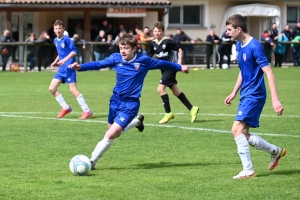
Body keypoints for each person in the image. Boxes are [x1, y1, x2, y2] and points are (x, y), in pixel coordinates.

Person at [68, 33, 189, 170]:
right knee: (115, 133)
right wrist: (81, 67)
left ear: (134, 48)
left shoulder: (143, 61)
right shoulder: (115, 58)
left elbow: (163, 63)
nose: (123, 51)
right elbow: (98, 64)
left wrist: (180, 67)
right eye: (121, 48)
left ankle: (92, 161)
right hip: (115, 101)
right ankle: (136, 122)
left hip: (130, 104)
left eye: (126, 48)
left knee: (110, 134)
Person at [224, 14, 286, 179]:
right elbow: (243, 72)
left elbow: (269, 72)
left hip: (255, 94)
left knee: (236, 130)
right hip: (246, 93)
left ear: (239, 29)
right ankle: (276, 151)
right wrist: (234, 92)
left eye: (229, 29)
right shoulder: (239, 45)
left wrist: (275, 99)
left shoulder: (255, 46)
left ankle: (248, 171)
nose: (227, 32)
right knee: (243, 134)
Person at [148, 21, 199, 124]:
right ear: (153, 32)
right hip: (163, 70)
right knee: (176, 91)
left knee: (160, 89)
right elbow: (149, 57)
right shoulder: (152, 44)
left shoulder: (168, 41)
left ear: (163, 32)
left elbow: (179, 48)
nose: (157, 33)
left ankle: (168, 113)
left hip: (170, 69)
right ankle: (192, 108)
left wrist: (179, 62)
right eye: (155, 31)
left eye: (159, 31)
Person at [49, 19, 93, 120]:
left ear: (63, 29)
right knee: (52, 88)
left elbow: (74, 51)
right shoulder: (56, 40)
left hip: (69, 67)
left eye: (60, 28)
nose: (58, 30)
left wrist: (64, 60)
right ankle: (66, 108)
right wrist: (56, 61)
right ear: (54, 30)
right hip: (61, 69)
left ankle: (87, 110)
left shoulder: (67, 39)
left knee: (73, 90)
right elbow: (61, 53)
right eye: (56, 28)